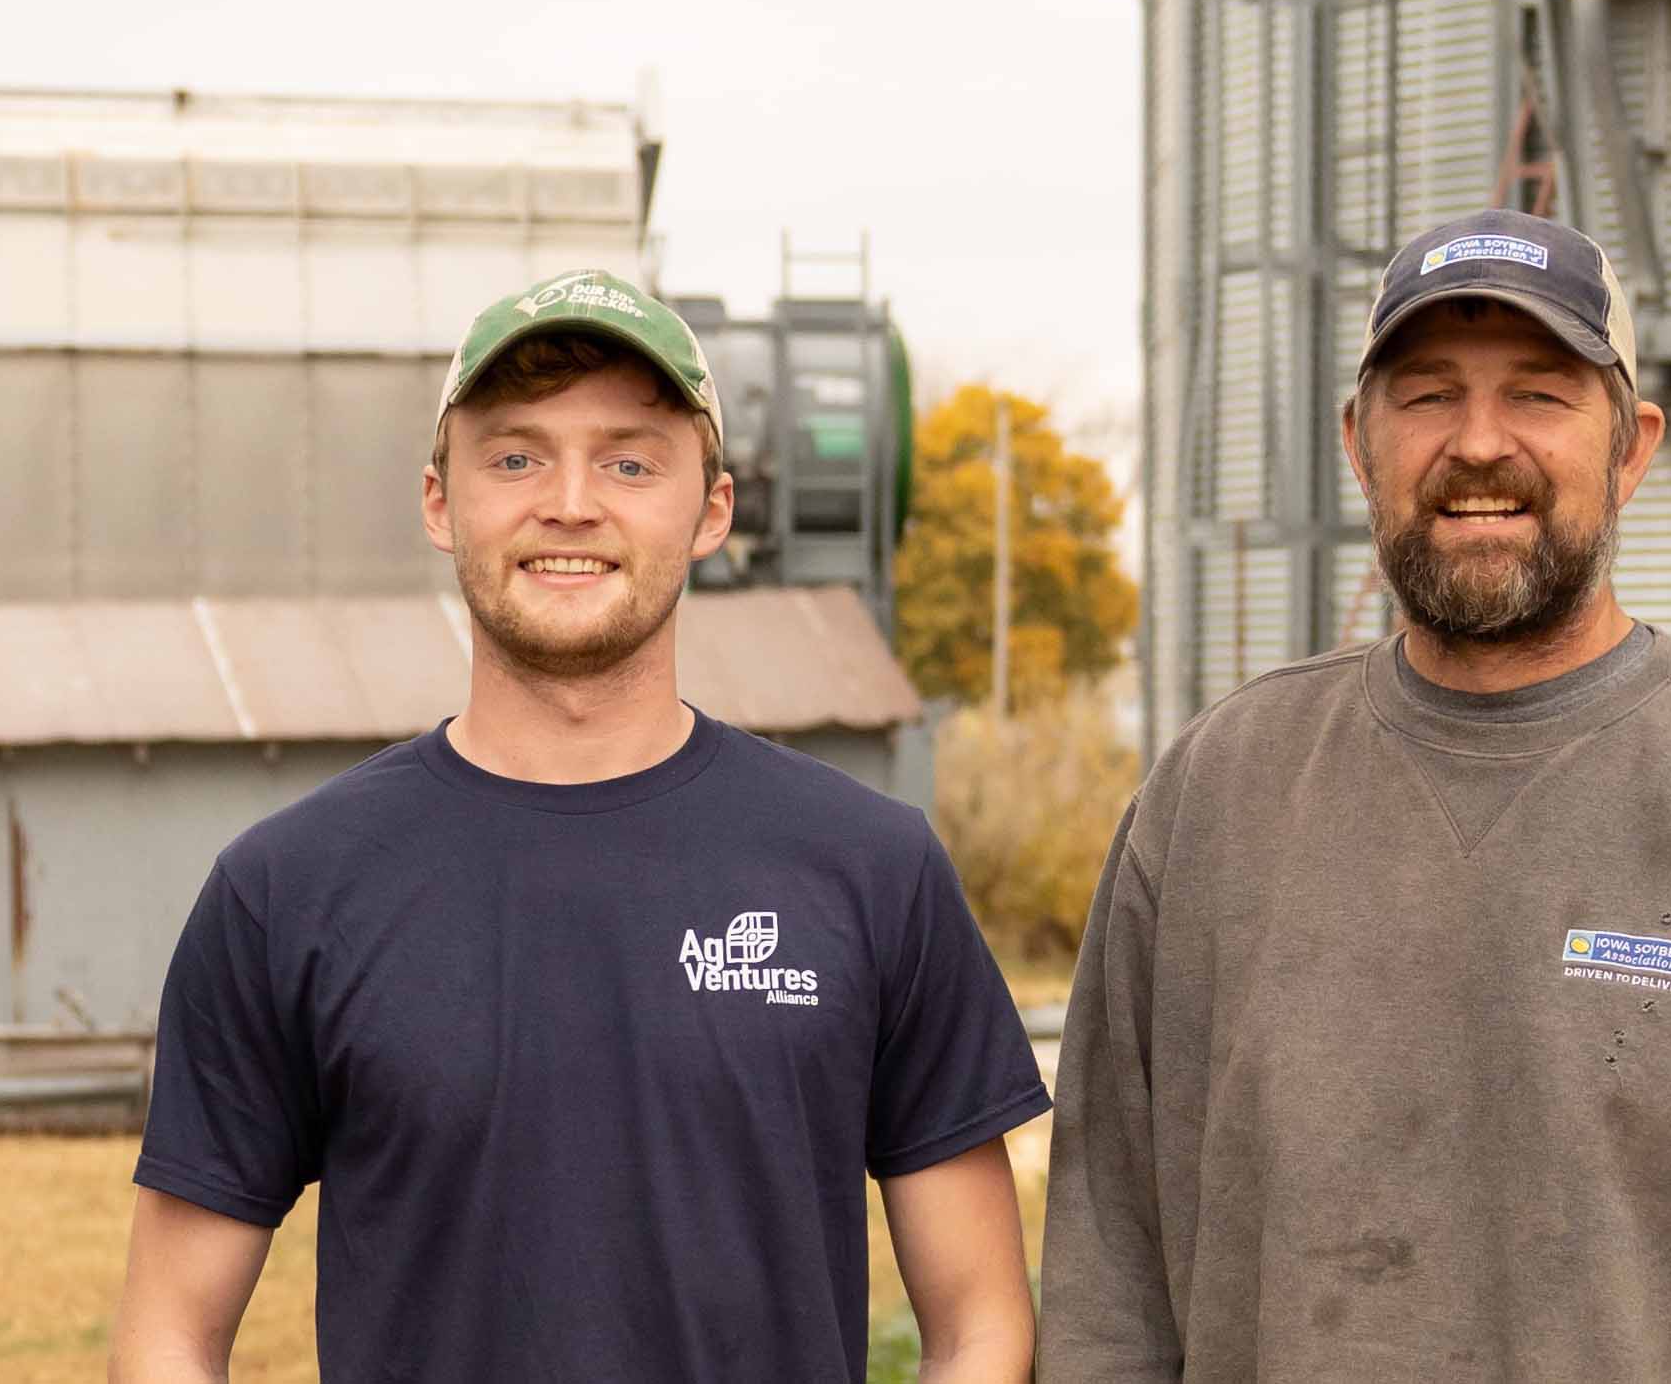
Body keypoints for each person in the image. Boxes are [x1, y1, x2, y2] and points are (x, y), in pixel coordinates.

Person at [1037, 209, 1671, 1381]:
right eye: (1424, 395)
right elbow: (1106, 1294)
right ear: (1357, 442)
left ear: (1630, 446)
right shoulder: (1211, 800)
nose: (1476, 444)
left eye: (1538, 394)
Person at [110, 270, 1049, 1383]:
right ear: (437, 500)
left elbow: (983, 1325)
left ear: (710, 510)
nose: (569, 502)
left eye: (629, 460)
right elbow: (168, 1335)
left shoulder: (869, 868)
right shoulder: (288, 889)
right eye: (514, 457)